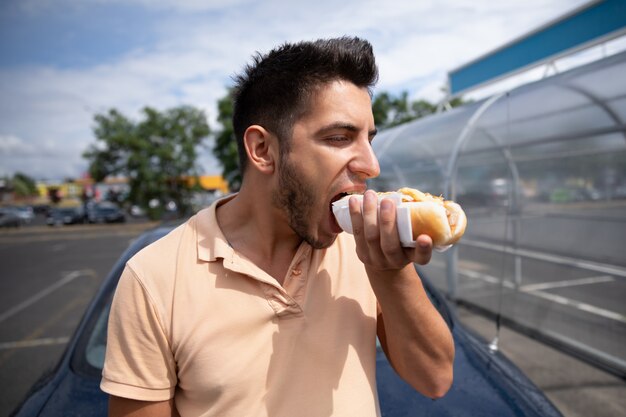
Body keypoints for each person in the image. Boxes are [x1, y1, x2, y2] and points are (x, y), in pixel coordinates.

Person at [101, 36, 454, 417]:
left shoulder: (364, 250)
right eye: (339, 137)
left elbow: (434, 379)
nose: (371, 165)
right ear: (263, 150)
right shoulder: (153, 277)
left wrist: (391, 273)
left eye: (369, 139)